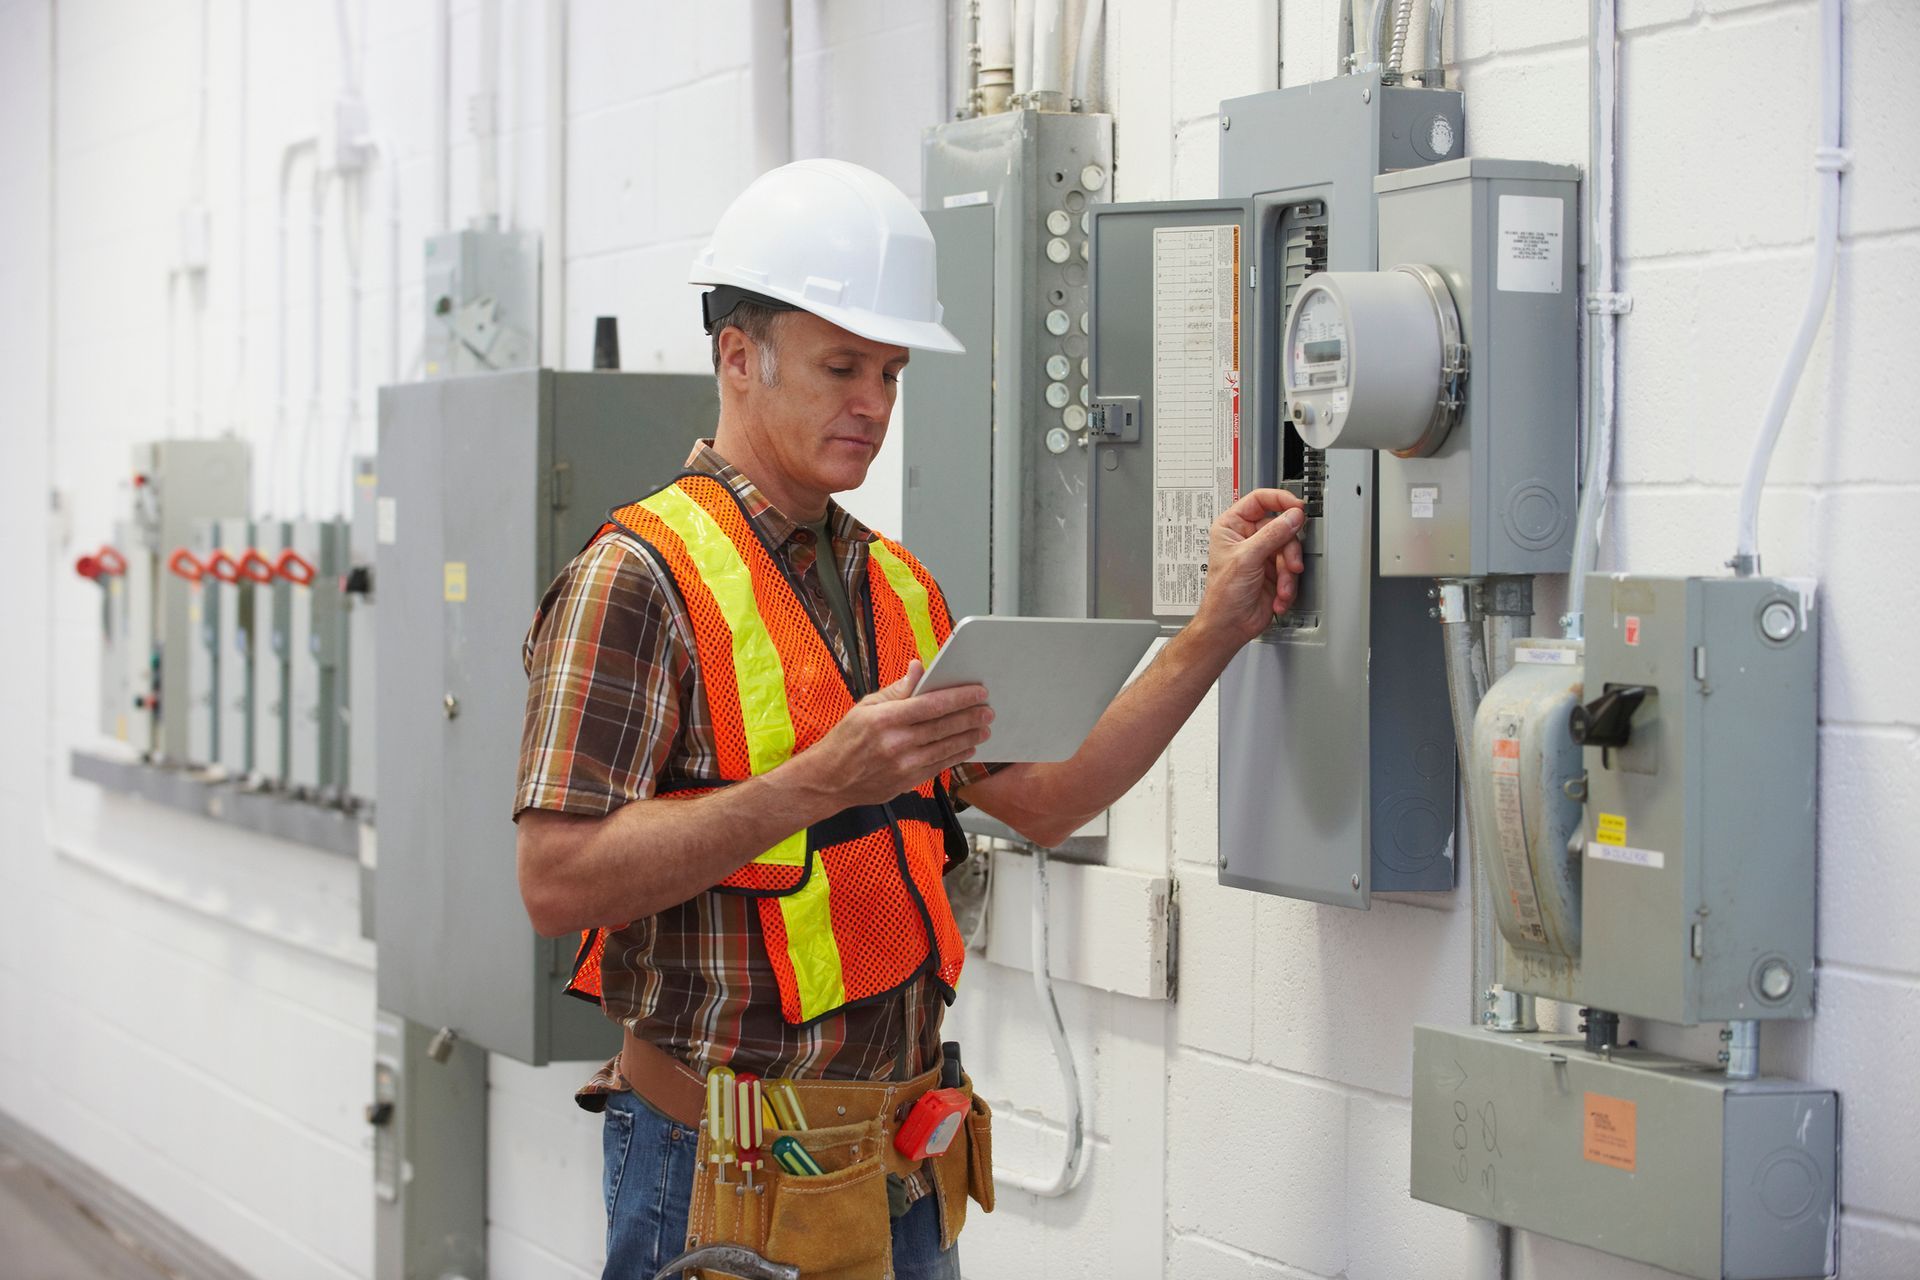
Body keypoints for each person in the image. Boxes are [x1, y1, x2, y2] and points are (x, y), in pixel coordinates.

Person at [513, 158, 1305, 1280]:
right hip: (719, 1180)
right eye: (843, 366)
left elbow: (1051, 796)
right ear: (738, 356)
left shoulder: (895, 588)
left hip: (894, 1162)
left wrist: (1216, 629)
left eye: (890, 372)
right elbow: (555, 879)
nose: (875, 404)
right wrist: (816, 782)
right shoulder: (637, 575)